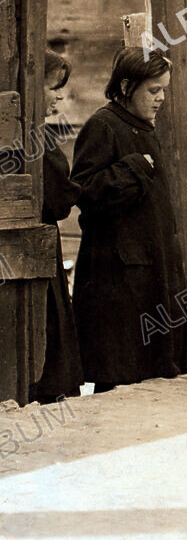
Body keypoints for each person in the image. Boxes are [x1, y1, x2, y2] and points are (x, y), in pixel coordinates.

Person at [71, 47, 187, 391]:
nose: (161, 99)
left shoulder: (142, 127)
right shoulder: (103, 125)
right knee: (118, 371)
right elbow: (85, 191)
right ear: (126, 87)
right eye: (154, 90)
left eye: (164, 90)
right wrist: (134, 168)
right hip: (116, 273)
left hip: (148, 266)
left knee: (150, 375)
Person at [28, 50, 84, 404]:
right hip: (39, 246)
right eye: (53, 88)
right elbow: (59, 200)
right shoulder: (36, 139)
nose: (59, 98)